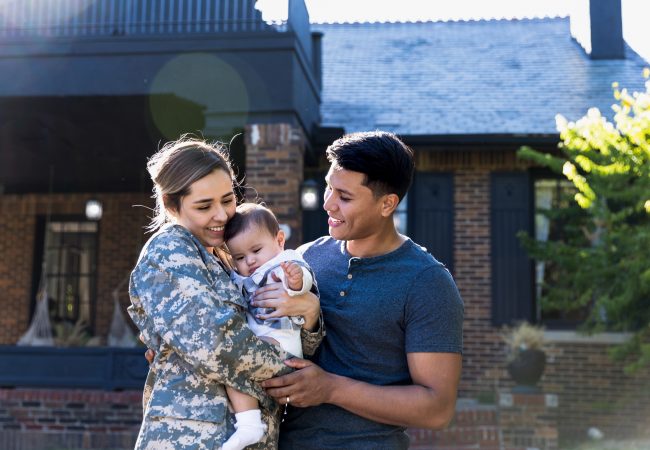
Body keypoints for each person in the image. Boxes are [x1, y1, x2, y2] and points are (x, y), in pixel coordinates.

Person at [257, 131, 465, 449]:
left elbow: (437, 409)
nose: (328, 203)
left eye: (344, 196)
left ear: (387, 204)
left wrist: (331, 388)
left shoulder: (428, 282)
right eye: (329, 187)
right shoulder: (307, 258)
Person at [128, 137, 322, 450]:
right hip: (192, 437)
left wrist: (310, 313)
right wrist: (296, 374)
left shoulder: (228, 256)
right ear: (170, 204)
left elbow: (281, 330)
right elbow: (213, 343)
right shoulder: (169, 251)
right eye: (204, 206)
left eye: (228, 199)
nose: (222, 215)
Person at [221, 202, 316, 449]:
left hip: (281, 340)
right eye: (240, 257)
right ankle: (249, 423)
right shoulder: (240, 277)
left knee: (237, 357)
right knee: (236, 368)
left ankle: (249, 423)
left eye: (256, 250)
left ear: (279, 240)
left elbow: (303, 281)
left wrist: (296, 282)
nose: (250, 261)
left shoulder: (283, 263)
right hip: (261, 341)